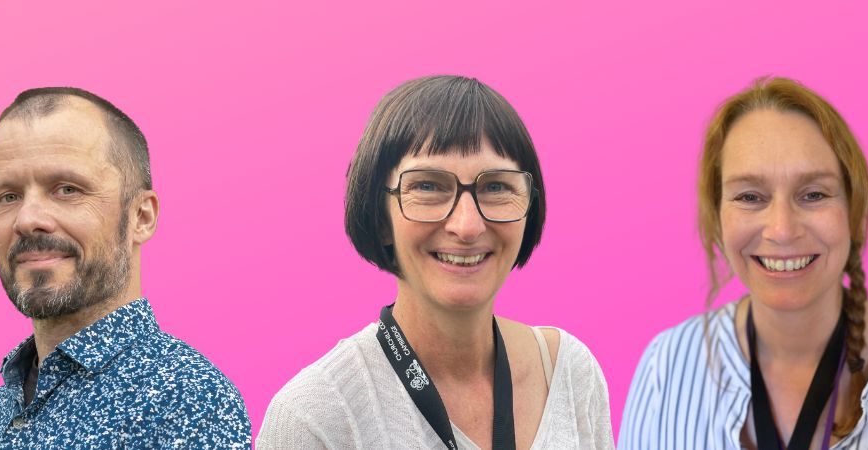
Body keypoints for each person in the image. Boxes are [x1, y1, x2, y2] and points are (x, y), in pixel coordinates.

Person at [619, 77, 868, 450]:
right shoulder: (665, 367)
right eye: (750, 197)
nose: (782, 230)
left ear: (851, 210)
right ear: (718, 215)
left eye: (814, 194)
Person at [256, 75, 614, 449]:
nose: (467, 226)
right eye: (428, 186)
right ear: (381, 219)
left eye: (495, 187)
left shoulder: (570, 373)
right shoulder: (317, 416)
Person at [0, 87, 252, 449]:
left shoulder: (187, 402)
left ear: (141, 216)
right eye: (8, 196)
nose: (27, 219)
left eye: (67, 189)